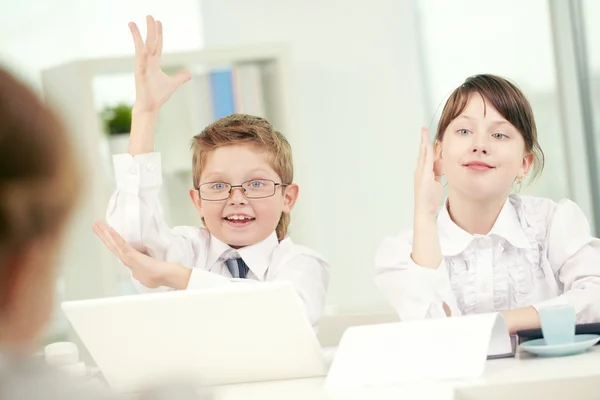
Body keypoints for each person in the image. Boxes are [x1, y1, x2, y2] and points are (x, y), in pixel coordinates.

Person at [93, 16, 330, 327]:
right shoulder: (188, 251)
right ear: (197, 201)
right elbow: (135, 235)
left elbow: (284, 313)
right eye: (218, 186)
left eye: (255, 183)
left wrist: (178, 277)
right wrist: (145, 113)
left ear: (288, 196)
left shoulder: (301, 264)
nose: (237, 198)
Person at [374, 74, 600, 334]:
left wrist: (503, 323)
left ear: (524, 164)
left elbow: (596, 295)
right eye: (464, 131)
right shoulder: (402, 253)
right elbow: (430, 334)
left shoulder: (552, 223)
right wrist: (424, 214)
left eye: (499, 135)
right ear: (439, 153)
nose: (480, 145)